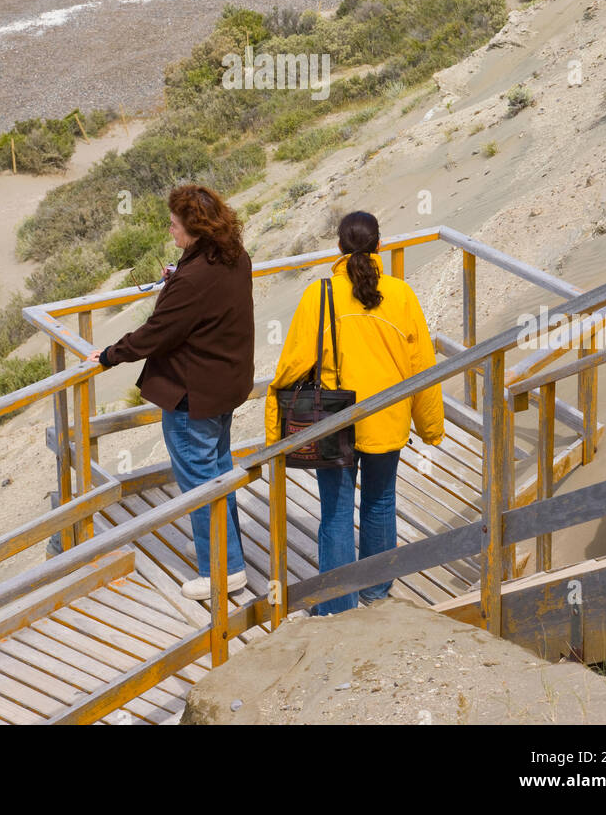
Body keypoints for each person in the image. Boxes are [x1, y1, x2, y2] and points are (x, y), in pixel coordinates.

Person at [265, 211, 444, 615]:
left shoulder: (320, 293)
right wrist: (430, 429)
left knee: (337, 511)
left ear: (339, 248)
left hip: (335, 423)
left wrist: (273, 432)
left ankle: (337, 605)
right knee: (381, 503)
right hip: (389, 419)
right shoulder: (401, 295)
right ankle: (376, 592)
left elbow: (292, 366)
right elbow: (424, 368)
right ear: (379, 245)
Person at [87, 185, 254, 599]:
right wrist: (176, 278)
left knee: (200, 479)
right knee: (218, 471)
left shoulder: (193, 280)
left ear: (195, 229)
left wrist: (109, 354)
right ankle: (218, 547)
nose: (170, 229)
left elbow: (156, 333)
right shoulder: (233, 257)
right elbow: (199, 304)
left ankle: (224, 569)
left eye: (175, 225)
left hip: (191, 394)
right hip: (225, 386)